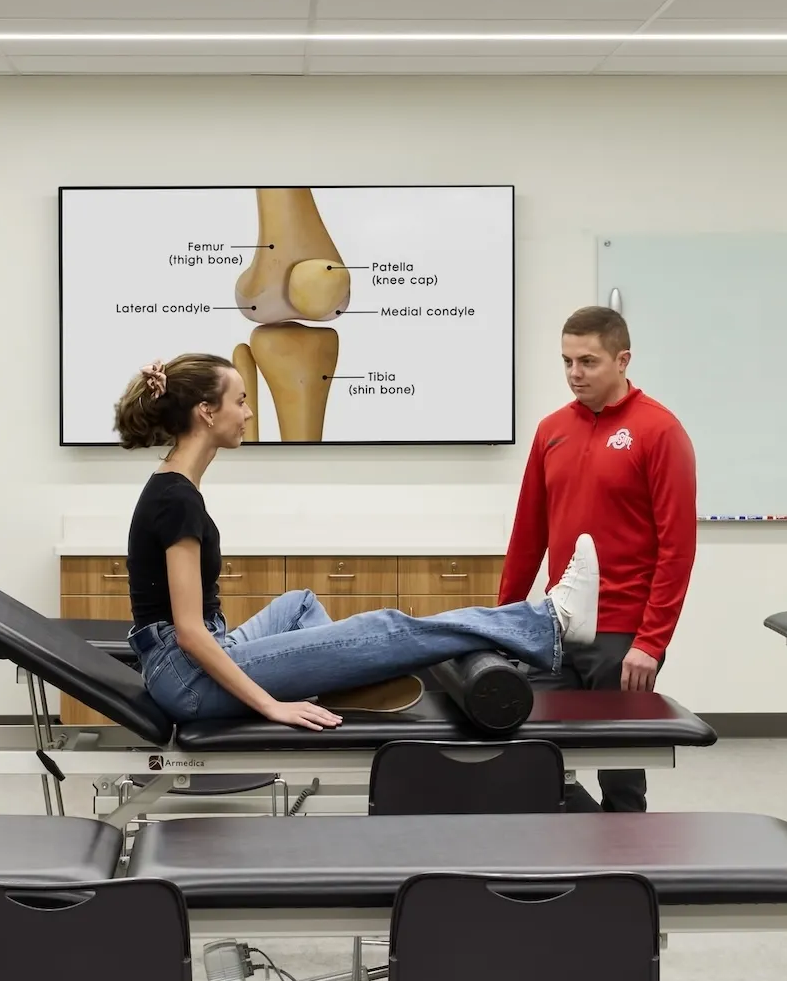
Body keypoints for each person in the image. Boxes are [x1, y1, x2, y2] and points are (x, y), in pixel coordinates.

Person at [114, 353, 600, 728]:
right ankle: (547, 621)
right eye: (240, 400)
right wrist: (272, 706)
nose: (248, 412)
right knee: (386, 626)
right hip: (188, 680)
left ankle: (344, 675)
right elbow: (189, 633)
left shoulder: (174, 486)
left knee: (299, 604)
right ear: (205, 412)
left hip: (187, 662)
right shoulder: (176, 500)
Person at [498, 306, 696, 813]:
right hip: (556, 625)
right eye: (566, 362)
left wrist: (651, 642)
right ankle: (560, 859)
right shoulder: (550, 431)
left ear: (623, 359)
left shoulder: (659, 431)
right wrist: (504, 622)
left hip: (624, 633)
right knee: (531, 751)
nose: (574, 374)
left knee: (621, 770)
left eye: (587, 361)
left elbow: (677, 547)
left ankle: (624, 868)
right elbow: (528, 534)